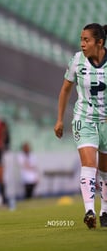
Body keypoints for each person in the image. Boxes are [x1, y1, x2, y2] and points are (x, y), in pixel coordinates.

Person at [54, 23, 107, 229]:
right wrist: (59, 119)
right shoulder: (77, 60)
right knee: (88, 164)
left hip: (105, 122)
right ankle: (89, 211)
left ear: (99, 42)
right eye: (81, 39)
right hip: (83, 119)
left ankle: (104, 210)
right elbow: (65, 90)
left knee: (104, 170)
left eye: (87, 40)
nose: (82, 44)